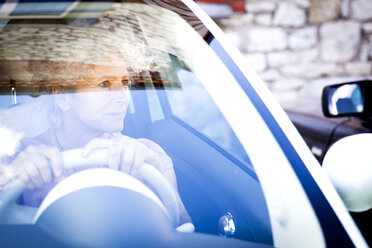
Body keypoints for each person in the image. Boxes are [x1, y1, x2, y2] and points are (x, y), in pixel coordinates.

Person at [0, 21, 191, 225]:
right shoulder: (21, 157)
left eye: (125, 83)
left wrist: (156, 171)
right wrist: (9, 178)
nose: (123, 98)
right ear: (63, 96)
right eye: (104, 84)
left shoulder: (148, 154)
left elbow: (184, 230)